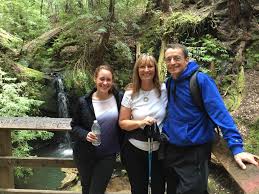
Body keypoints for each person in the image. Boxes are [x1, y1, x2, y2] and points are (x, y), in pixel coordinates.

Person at [162, 43, 259, 194]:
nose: (172, 62)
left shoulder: (200, 81)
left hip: (194, 152)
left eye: (177, 58)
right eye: (169, 59)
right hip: (172, 150)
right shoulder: (169, 83)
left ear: (187, 60)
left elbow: (220, 113)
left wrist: (236, 147)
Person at [70, 65, 124, 194]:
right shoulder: (83, 101)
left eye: (108, 79)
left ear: (112, 81)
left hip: (108, 154)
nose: (105, 83)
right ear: (95, 79)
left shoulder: (119, 98)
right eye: (102, 79)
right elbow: (74, 126)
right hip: (84, 153)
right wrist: (85, 135)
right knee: (86, 188)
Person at [119, 54, 167, 194]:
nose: (146, 70)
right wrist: (141, 122)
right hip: (134, 150)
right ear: (137, 70)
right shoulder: (130, 94)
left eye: (150, 66)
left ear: (155, 69)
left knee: (158, 188)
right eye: (142, 66)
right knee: (138, 189)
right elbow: (122, 122)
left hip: (159, 151)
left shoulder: (164, 90)